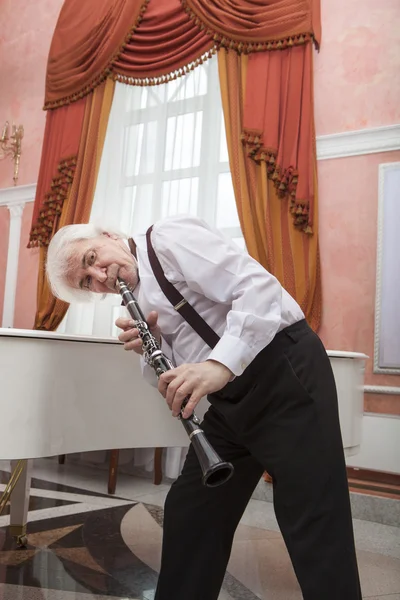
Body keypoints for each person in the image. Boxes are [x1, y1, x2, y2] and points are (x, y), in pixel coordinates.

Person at [46, 214, 362, 600]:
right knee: (192, 512)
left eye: (92, 258)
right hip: (231, 398)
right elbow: (174, 375)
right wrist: (155, 345)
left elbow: (257, 289)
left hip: (283, 371)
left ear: (110, 235)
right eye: (88, 281)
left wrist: (218, 365)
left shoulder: (167, 239)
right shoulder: (136, 299)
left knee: (312, 516)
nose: (100, 275)